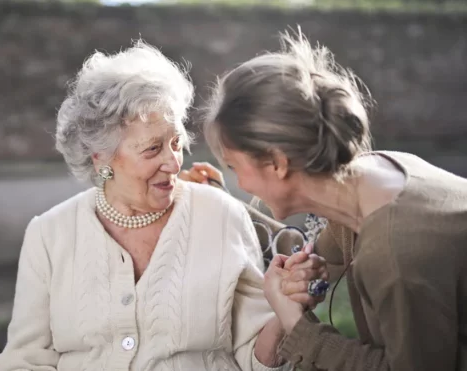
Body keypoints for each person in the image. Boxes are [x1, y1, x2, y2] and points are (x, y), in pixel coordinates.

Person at [0, 40, 328, 371]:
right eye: (152, 149)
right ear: (101, 158)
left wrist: (286, 310)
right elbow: (25, 359)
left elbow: (254, 356)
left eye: (176, 143)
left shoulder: (221, 216)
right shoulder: (49, 234)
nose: (173, 162)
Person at [199, 29, 467, 371]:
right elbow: (323, 255)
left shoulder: (395, 255)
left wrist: (298, 327)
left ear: (277, 163)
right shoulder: (373, 175)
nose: (240, 183)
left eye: (236, 167)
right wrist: (303, 275)